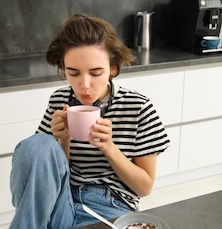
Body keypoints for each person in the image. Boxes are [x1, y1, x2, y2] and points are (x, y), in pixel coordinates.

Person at [9, 13, 170, 229]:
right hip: (61, 200)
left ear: (112, 69)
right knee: (36, 145)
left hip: (110, 205)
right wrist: (62, 141)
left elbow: (144, 188)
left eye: (95, 73)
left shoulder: (138, 107)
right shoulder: (59, 100)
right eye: (73, 73)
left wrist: (109, 147)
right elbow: (44, 172)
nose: (84, 85)